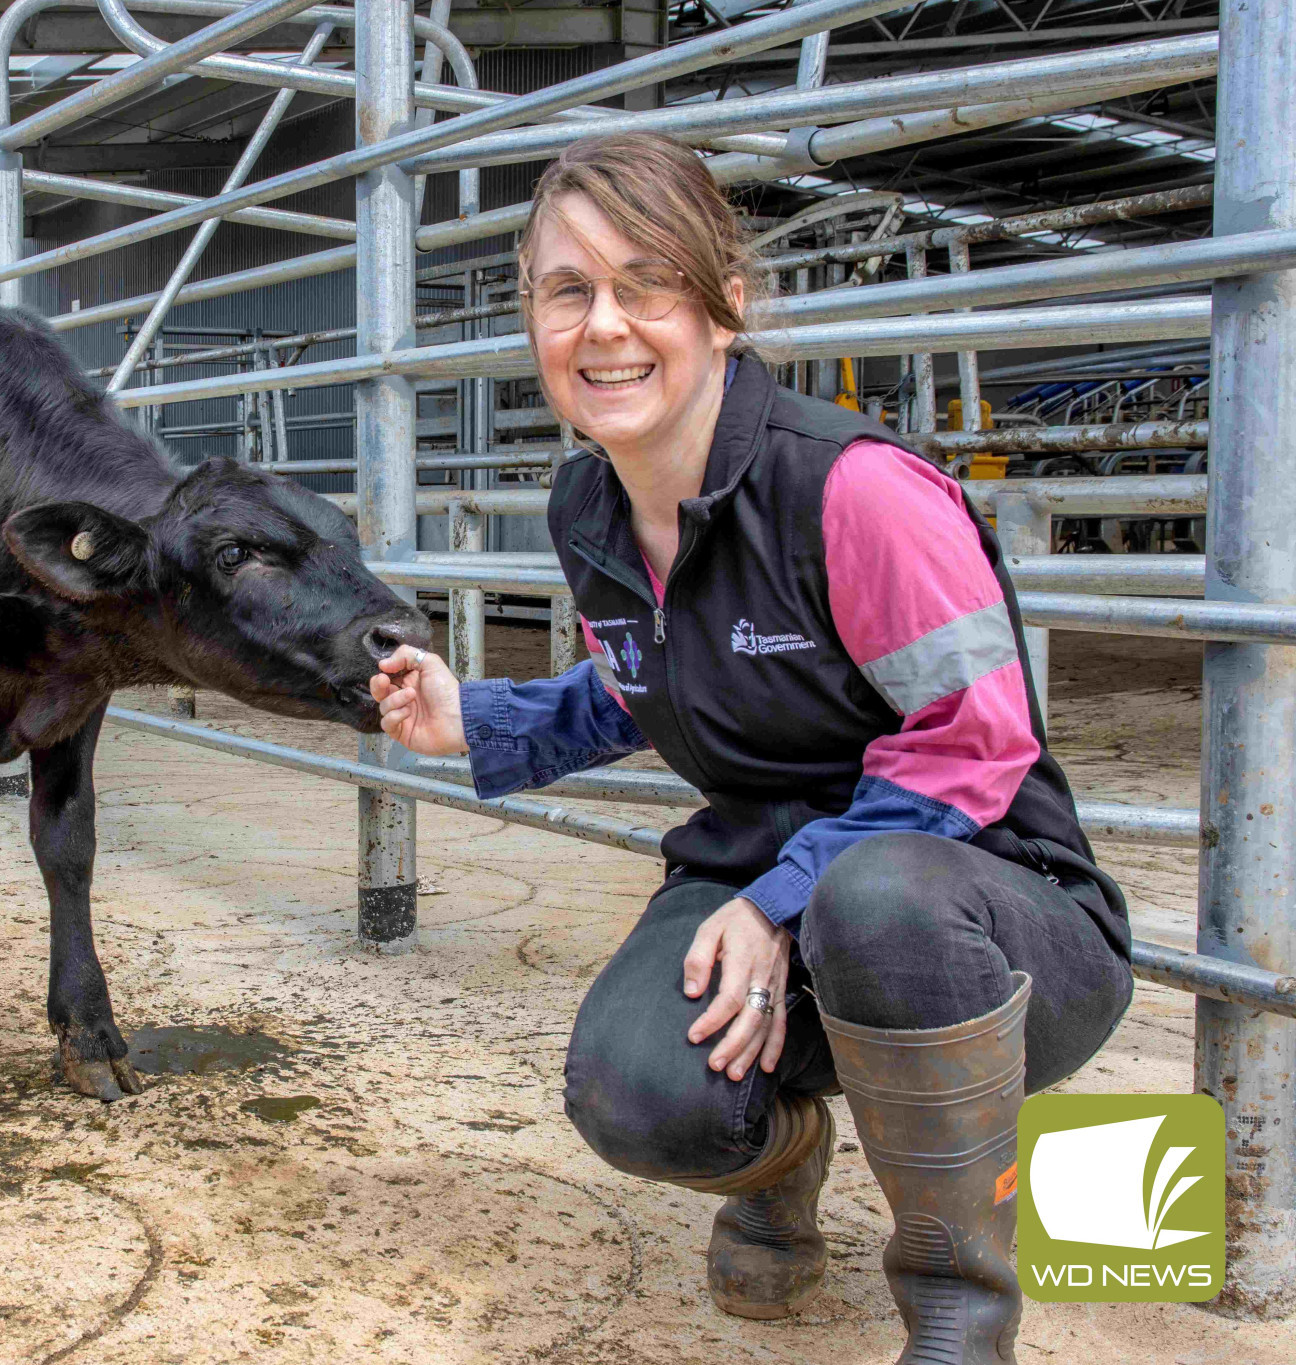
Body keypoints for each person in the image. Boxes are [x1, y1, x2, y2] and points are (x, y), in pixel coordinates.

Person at [370, 133, 1131, 1364]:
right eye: (566, 292)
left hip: (987, 915)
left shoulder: (855, 491)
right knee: (634, 1096)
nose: (603, 325)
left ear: (725, 305)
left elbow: (970, 744)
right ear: (531, 320)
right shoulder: (591, 504)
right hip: (762, 882)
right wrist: (479, 717)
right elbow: (650, 680)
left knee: (873, 902)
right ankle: (781, 1157)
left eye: (644, 282)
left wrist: (780, 903)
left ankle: (955, 1311)